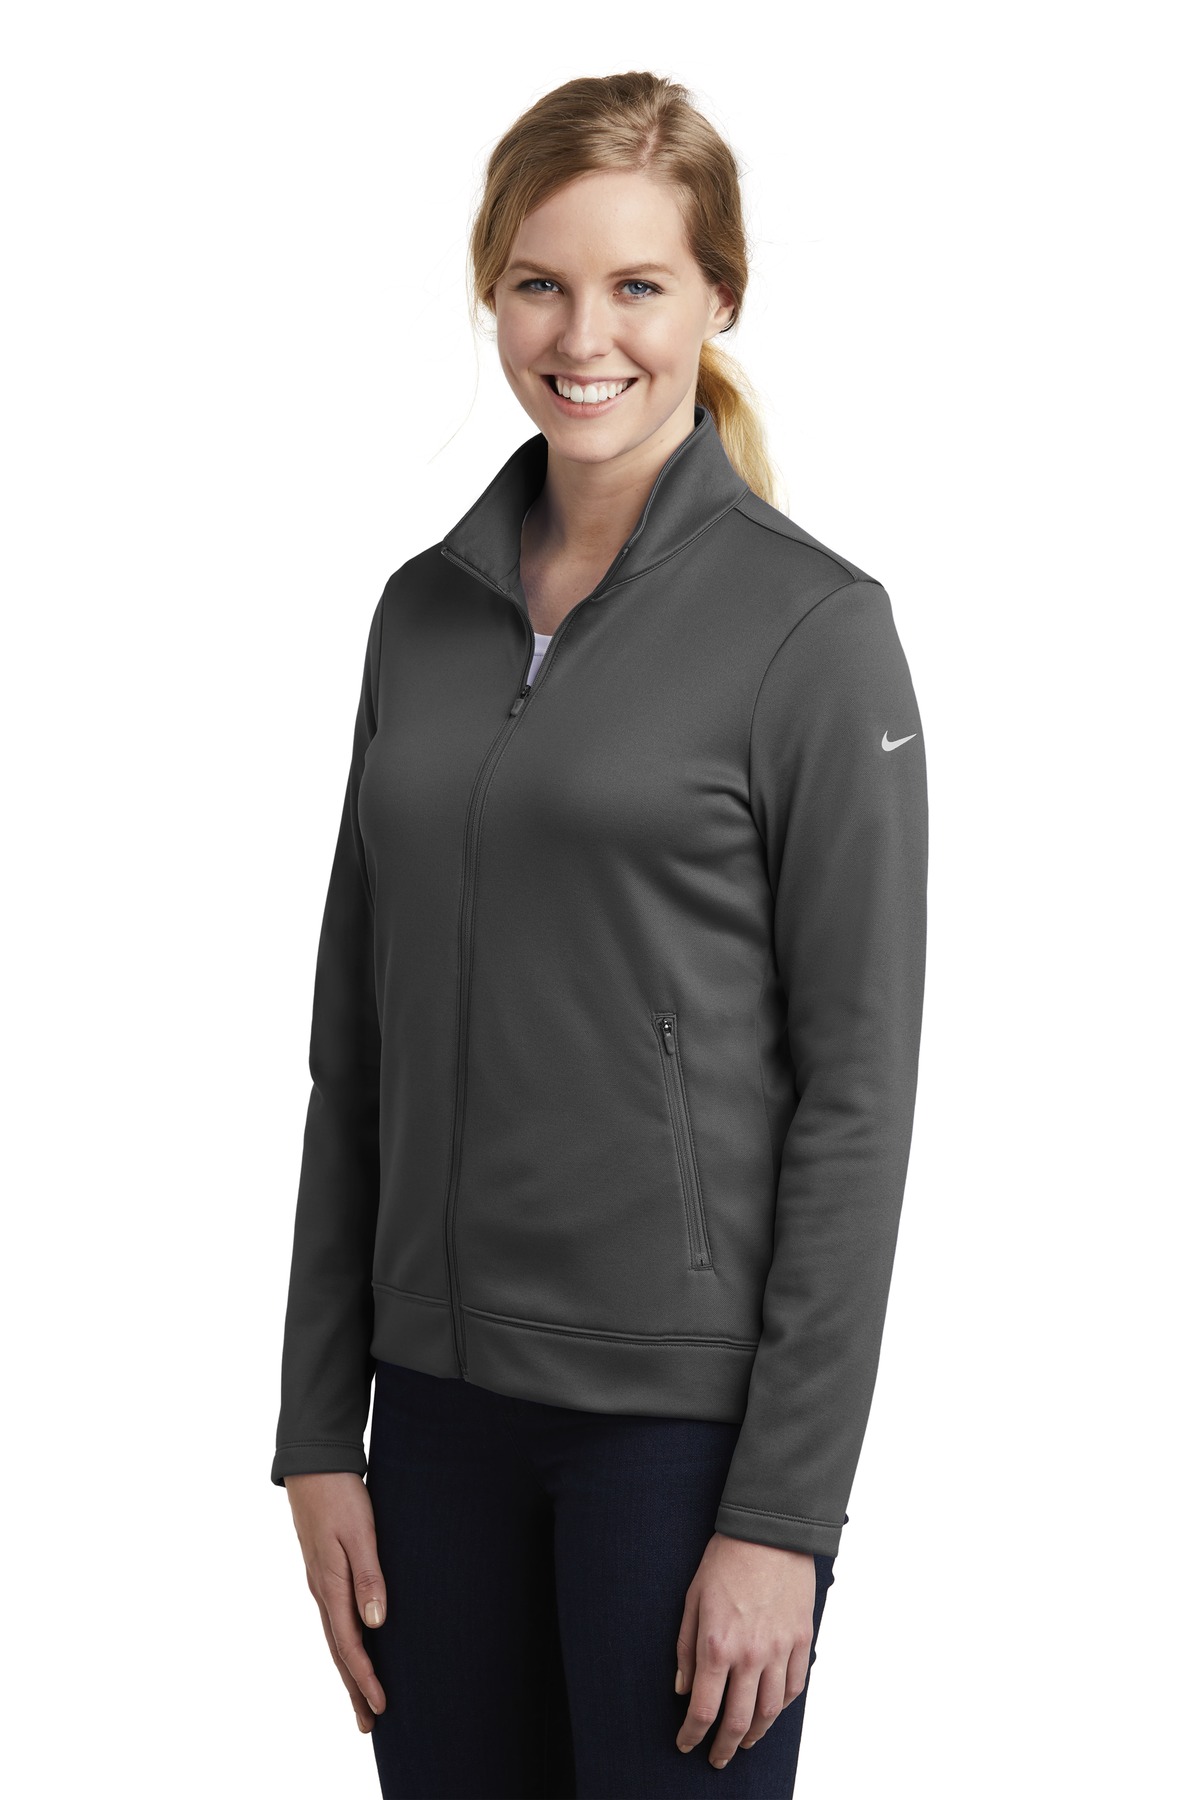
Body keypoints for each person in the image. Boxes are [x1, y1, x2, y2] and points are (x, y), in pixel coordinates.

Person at [271, 69, 928, 1799]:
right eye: (540, 284)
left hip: (679, 1444)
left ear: (720, 297)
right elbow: (357, 1049)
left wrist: (783, 1516)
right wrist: (317, 1428)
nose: (584, 338)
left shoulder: (815, 631)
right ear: (491, 291)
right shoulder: (422, 615)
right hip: (430, 1420)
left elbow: (858, 1099)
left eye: (639, 284)